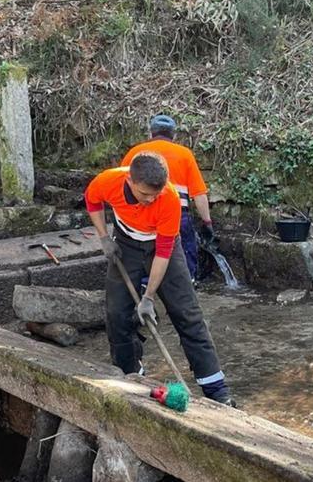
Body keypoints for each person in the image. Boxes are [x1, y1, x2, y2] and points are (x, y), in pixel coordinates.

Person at [84, 152, 235, 406]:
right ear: (130, 181)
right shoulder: (107, 182)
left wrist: (148, 297)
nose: (151, 198)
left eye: (156, 193)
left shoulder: (169, 198)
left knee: (186, 312)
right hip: (125, 243)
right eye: (145, 194)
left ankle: (215, 388)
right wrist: (103, 238)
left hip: (163, 246)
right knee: (117, 314)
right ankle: (130, 374)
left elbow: (163, 255)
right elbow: (92, 201)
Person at [120, 115, 216, 281]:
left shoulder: (135, 153)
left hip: (144, 212)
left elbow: (122, 186)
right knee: (184, 252)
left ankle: (145, 284)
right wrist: (207, 222)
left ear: (151, 133)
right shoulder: (184, 154)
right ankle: (187, 282)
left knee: (146, 251)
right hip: (178, 214)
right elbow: (199, 194)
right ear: (174, 135)